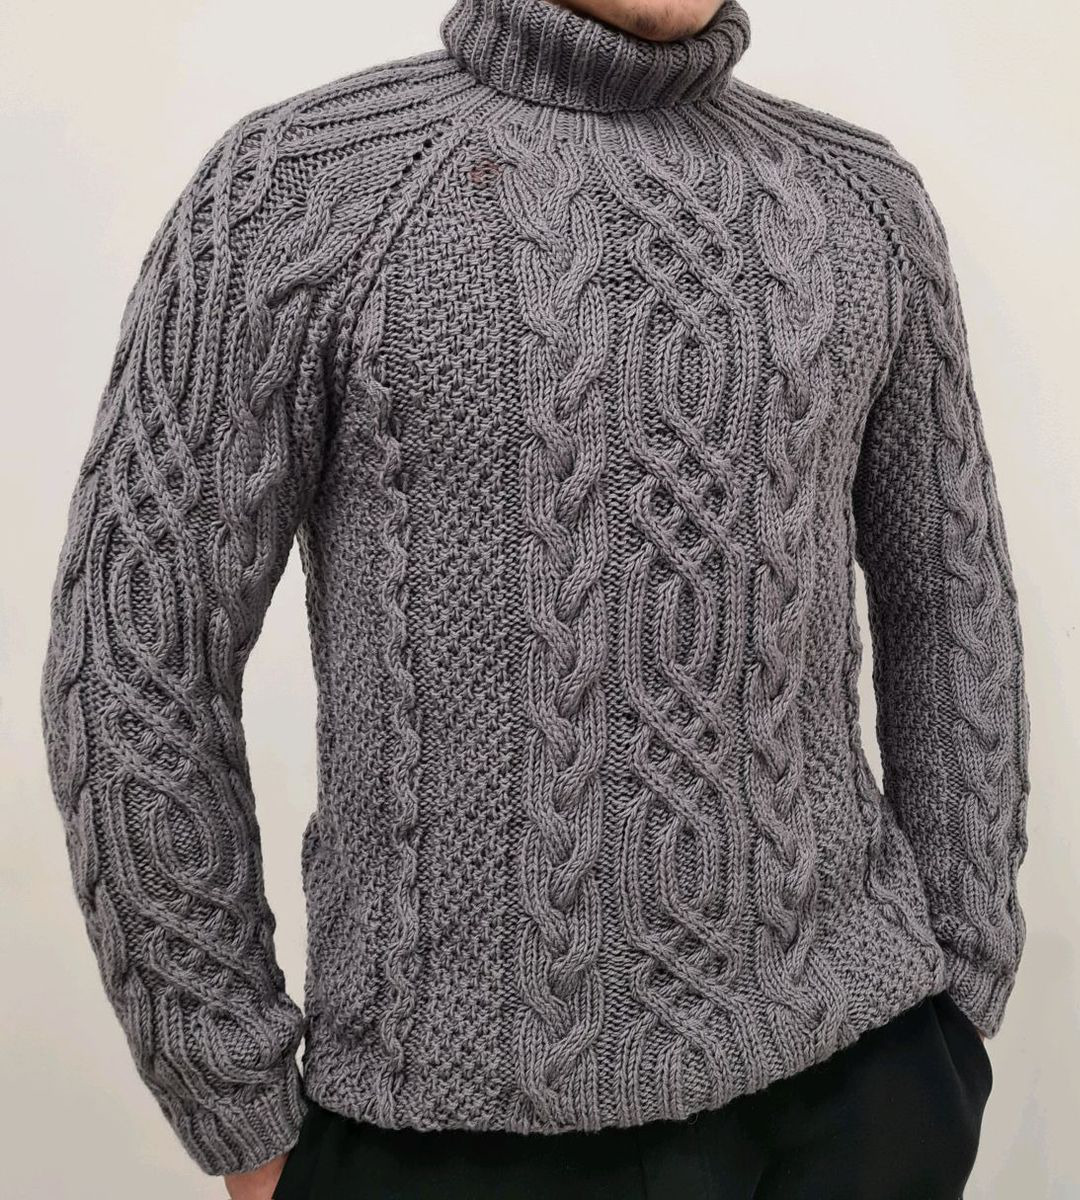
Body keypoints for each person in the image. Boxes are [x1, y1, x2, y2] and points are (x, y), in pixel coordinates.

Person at [39, 0, 1031, 1197]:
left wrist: (958, 999)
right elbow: (136, 659)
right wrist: (238, 1109)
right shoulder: (300, 192)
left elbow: (950, 603)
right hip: (444, 1136)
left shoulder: (866, 201)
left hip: (862, 1086)